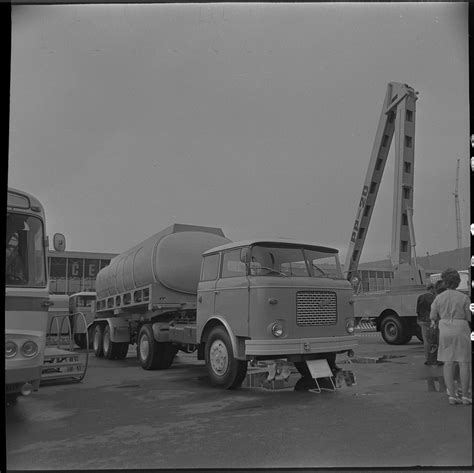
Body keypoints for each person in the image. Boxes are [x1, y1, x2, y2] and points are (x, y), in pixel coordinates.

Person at [429, 268, 471, 405]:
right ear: (457, 282)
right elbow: (469, 316)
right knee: (463, 363)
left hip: (445, 329)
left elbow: (433, 316)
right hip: (461, 329)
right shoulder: (464, 298)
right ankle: (465, 395)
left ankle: (452, 395)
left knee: (448, 363)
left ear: (444, 282)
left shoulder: (438, 298)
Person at [416, 283, 436, 365]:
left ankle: (428, 359)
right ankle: (434, 359)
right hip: (431, 321)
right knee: (434, 341)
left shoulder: (420, 297)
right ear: (432, 288)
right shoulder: (434, 298)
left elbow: (417, 310)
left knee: (426, 341)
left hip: (422, 321)